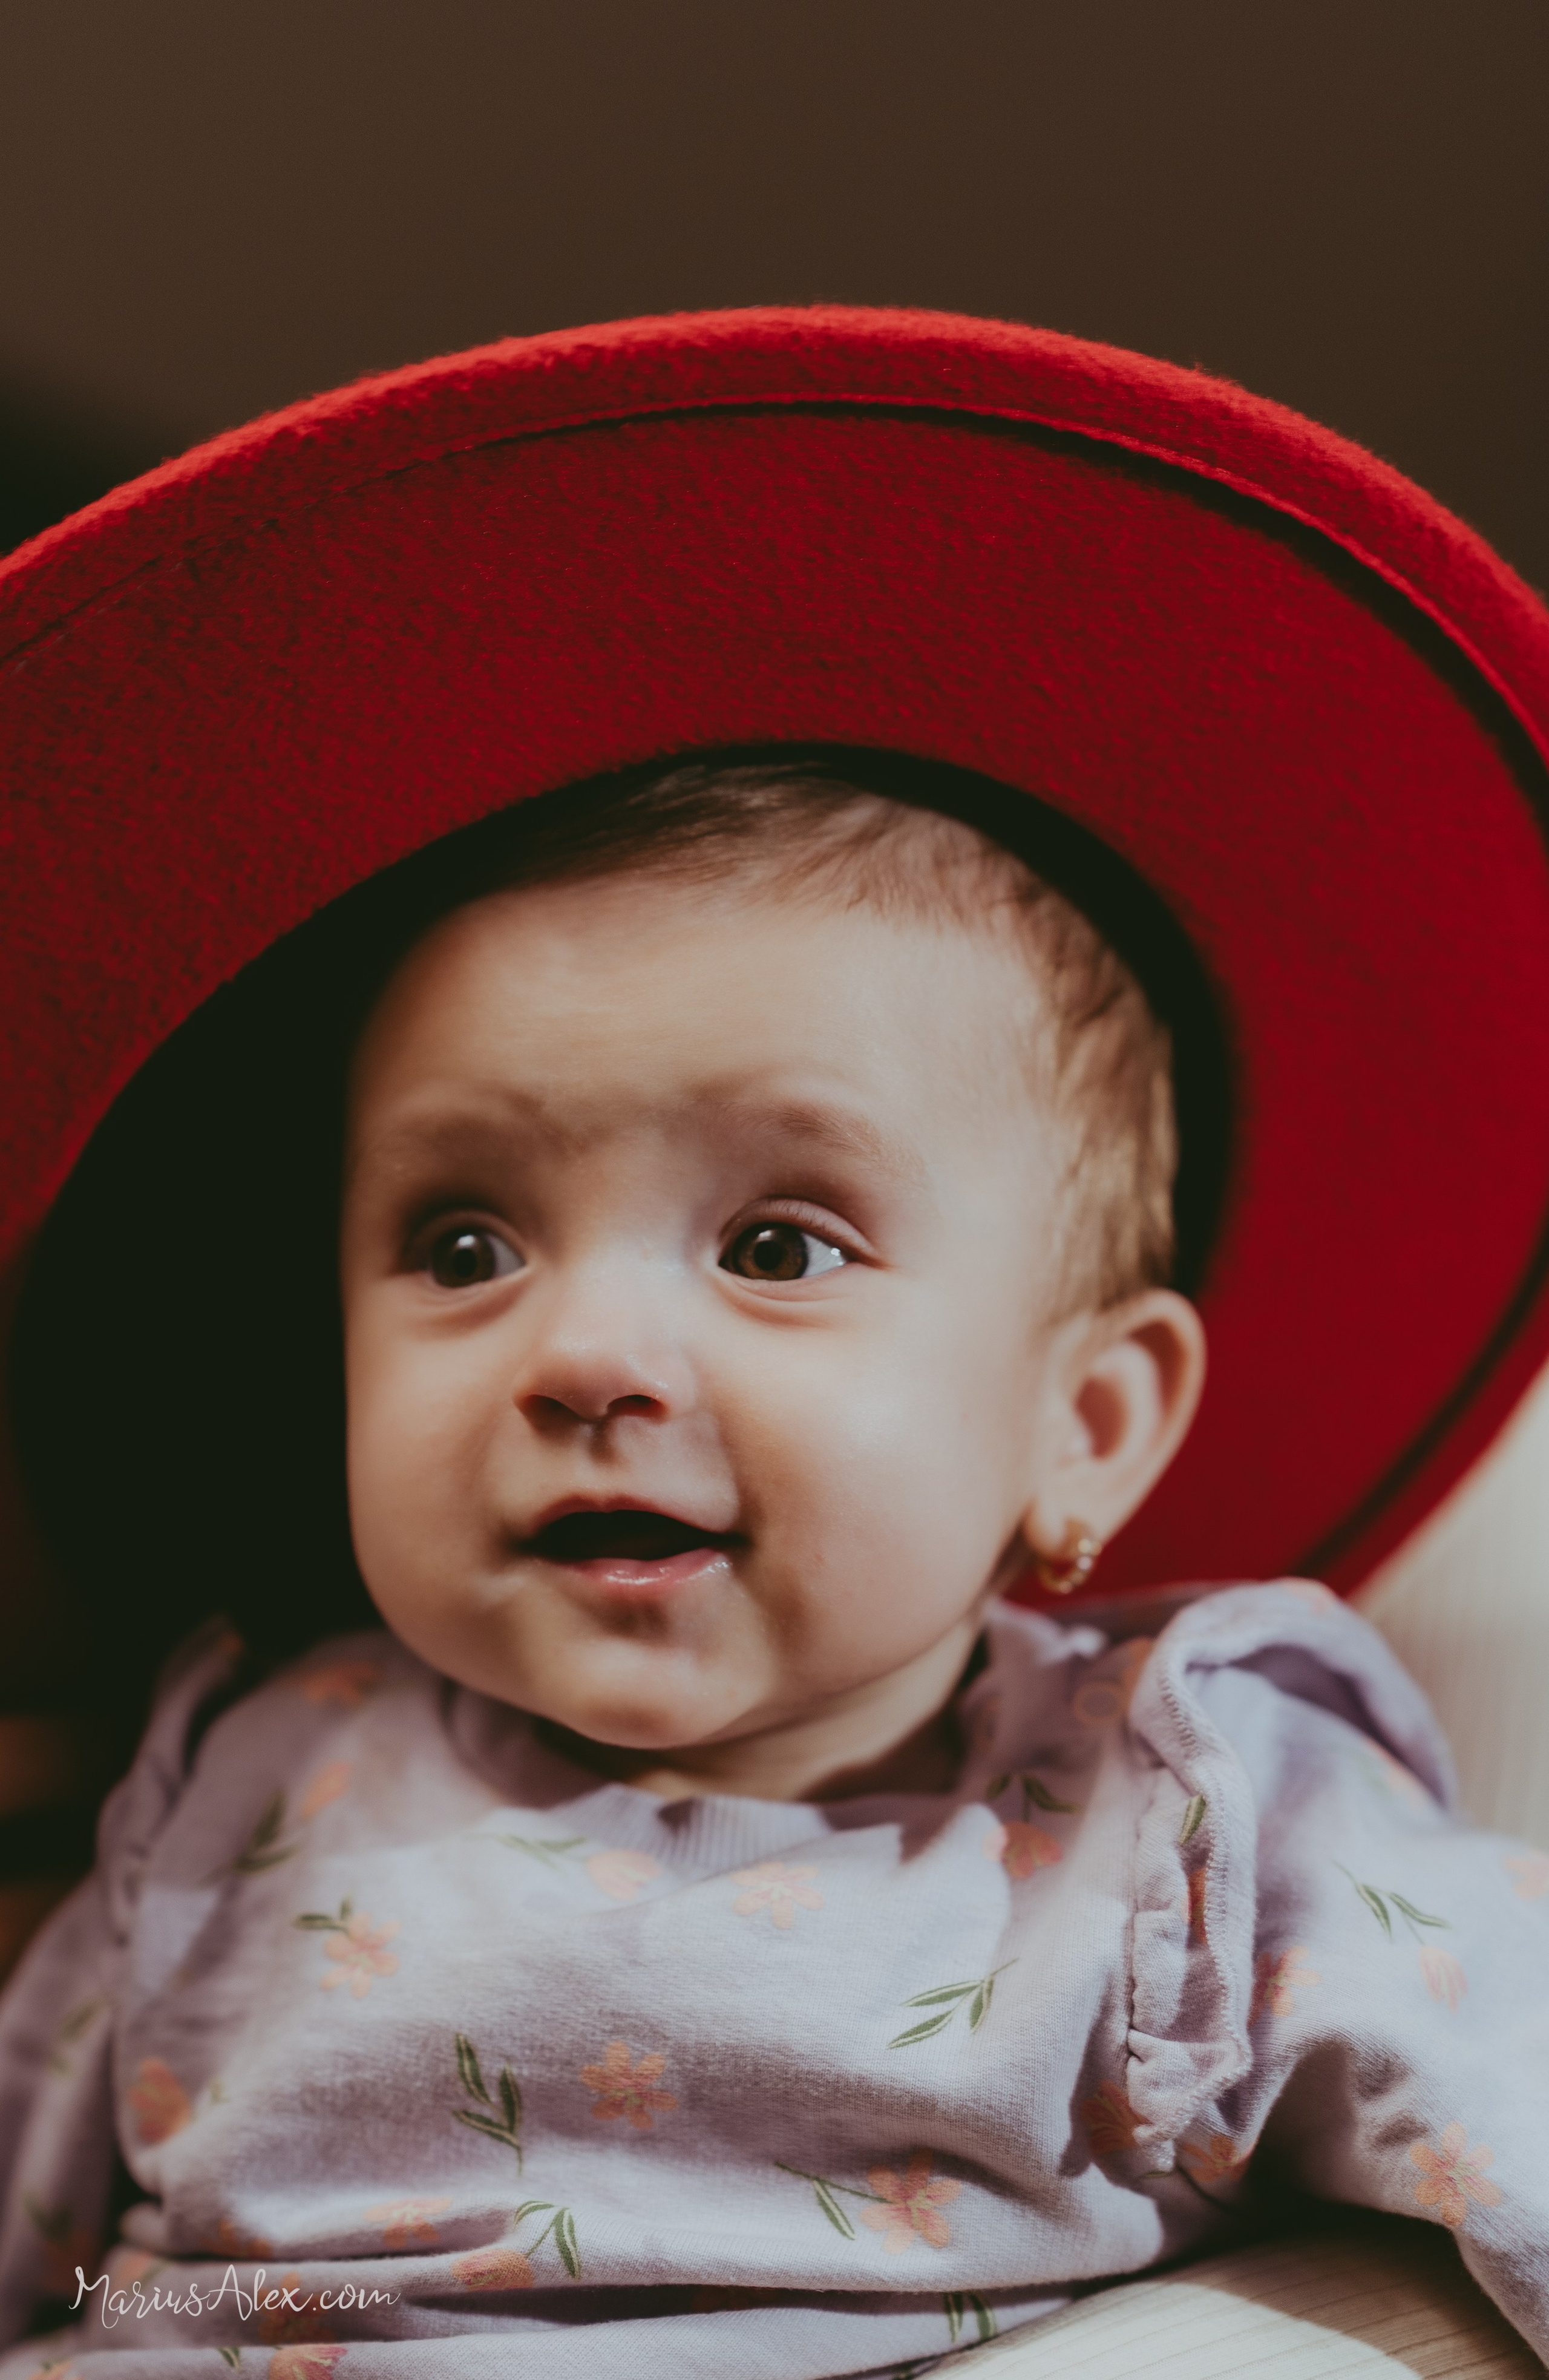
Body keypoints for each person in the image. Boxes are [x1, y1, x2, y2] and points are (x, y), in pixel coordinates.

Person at [1, 309, 1548, 2378]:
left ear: (1085, 1425)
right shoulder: (242, 1780)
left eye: (780, 1243)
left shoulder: (1188, 1820)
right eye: (462, 1240)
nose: (588, 1351)